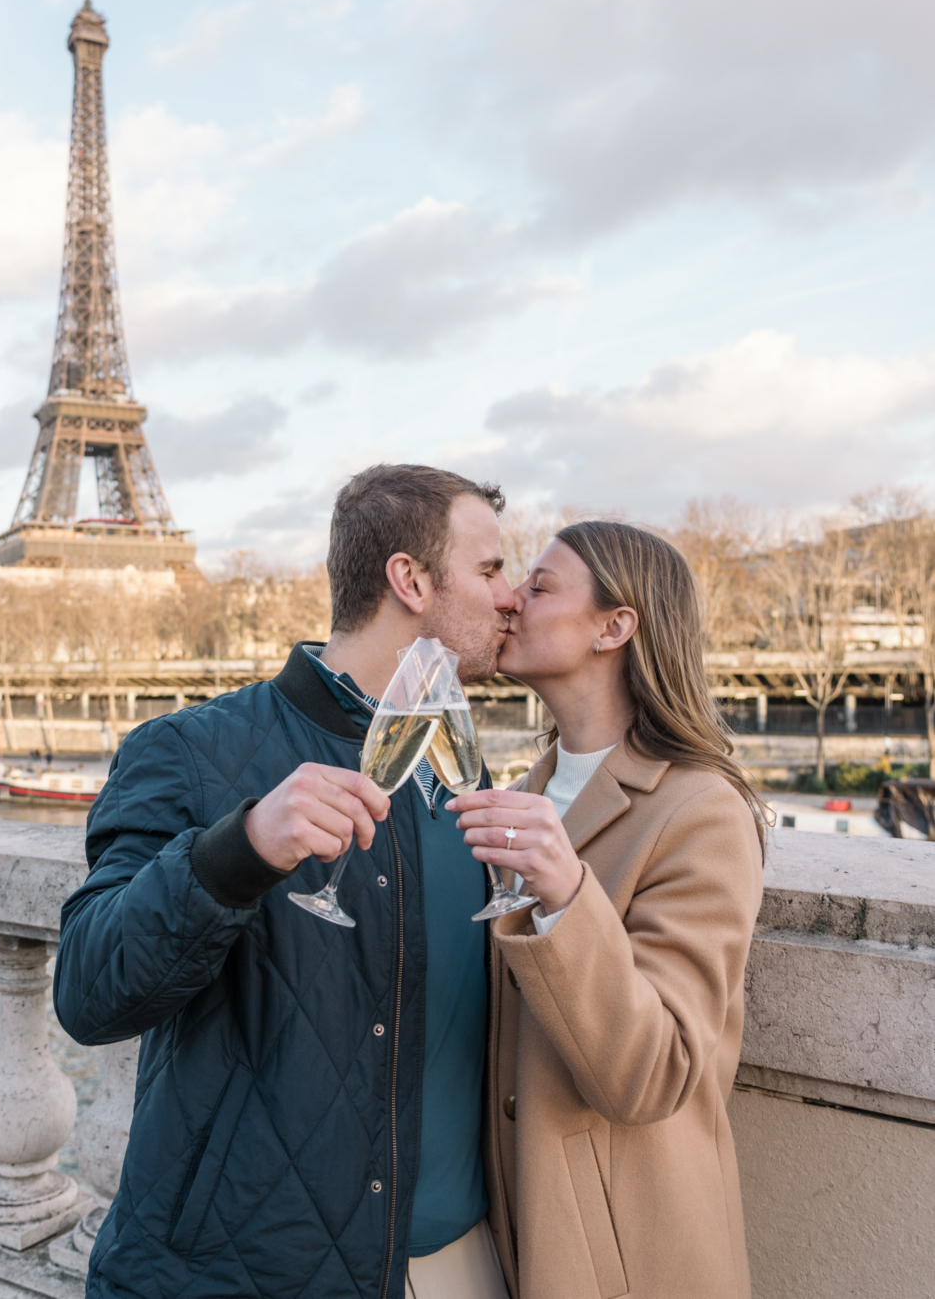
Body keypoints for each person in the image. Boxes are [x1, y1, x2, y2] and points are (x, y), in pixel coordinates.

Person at [53, 463, 515, 1299]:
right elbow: (88, 993)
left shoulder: (460, 768)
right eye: (488, 571)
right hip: (249, 1273)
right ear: (408, 580)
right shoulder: (187, 750)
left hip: (456, 1265)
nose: (510, 595)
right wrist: (240, 850)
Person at [448, 521, 767, 1299]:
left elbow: (654, 1076)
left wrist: (566, 895)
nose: (510, 600)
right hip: (505, 1235)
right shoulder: (521, 796)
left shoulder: (701, 810)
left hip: (626, 1257)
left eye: (540, 585)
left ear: (615, 627)